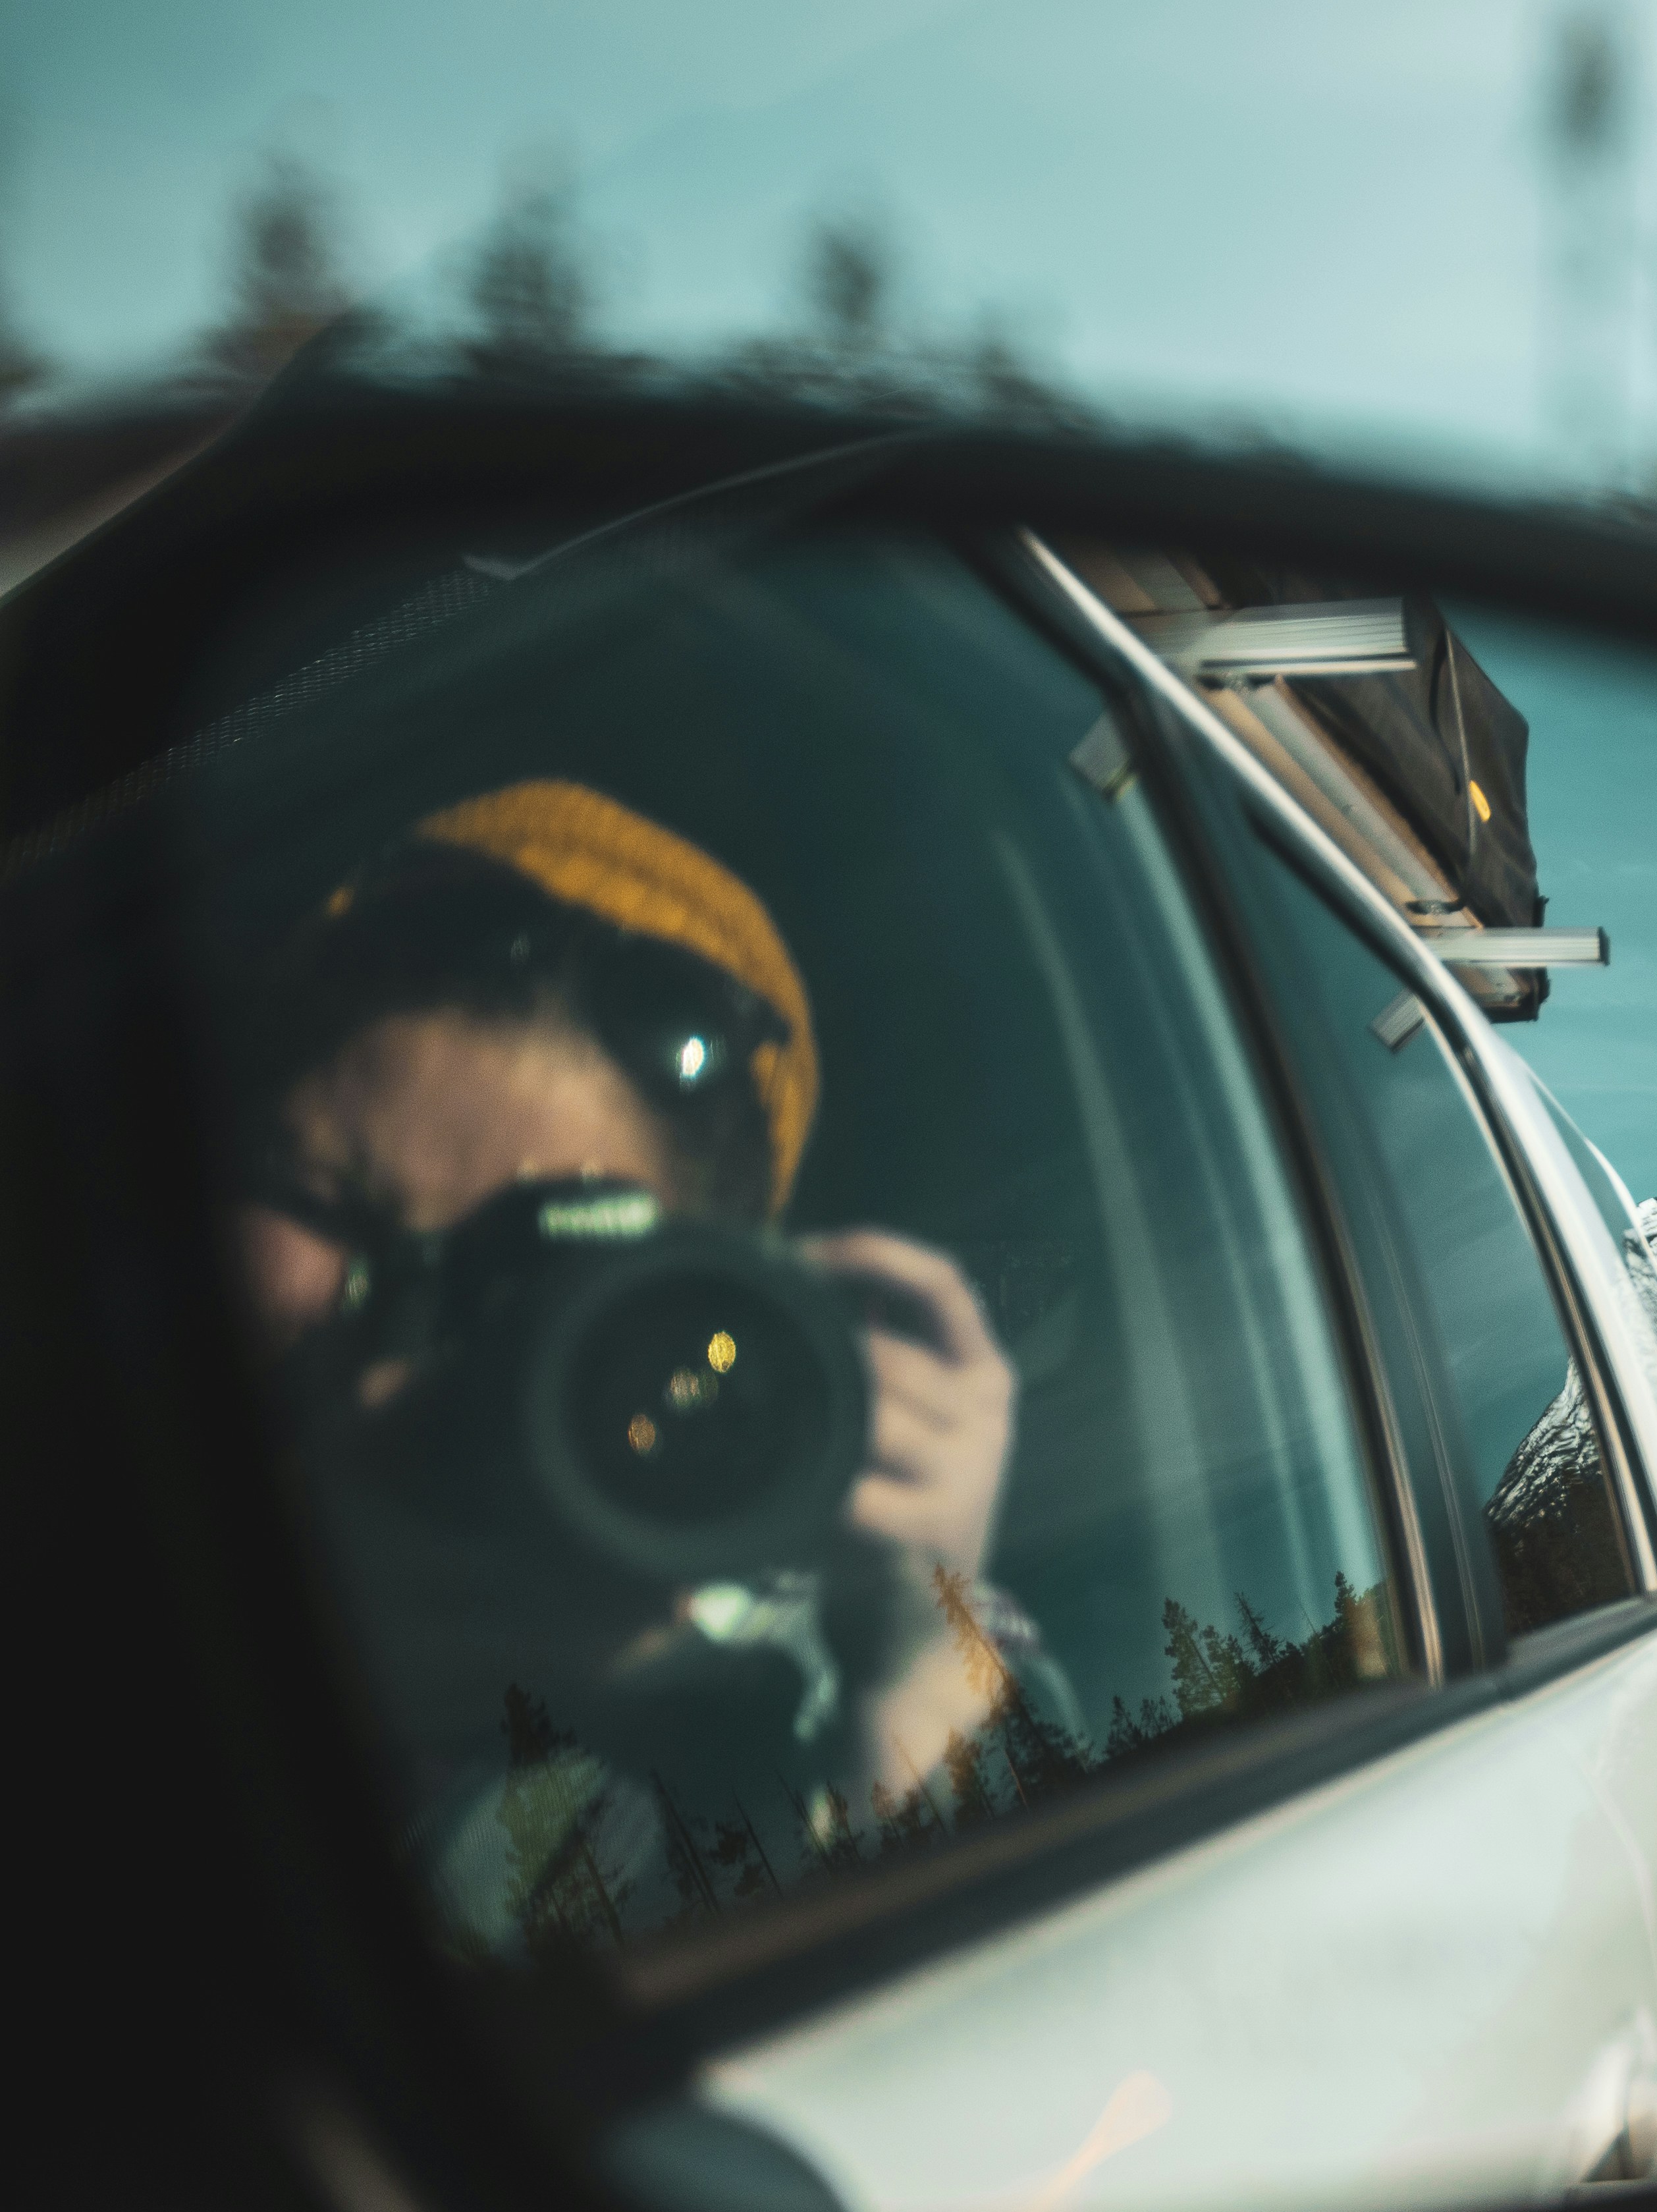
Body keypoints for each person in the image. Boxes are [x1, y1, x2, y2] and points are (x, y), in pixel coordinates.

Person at [227, 777, 1056, 1953]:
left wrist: (922, 1674)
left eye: (510, 1299)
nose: (377, 1369)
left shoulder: (700, 1765)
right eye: (320, 1206)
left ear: (680, 1325)